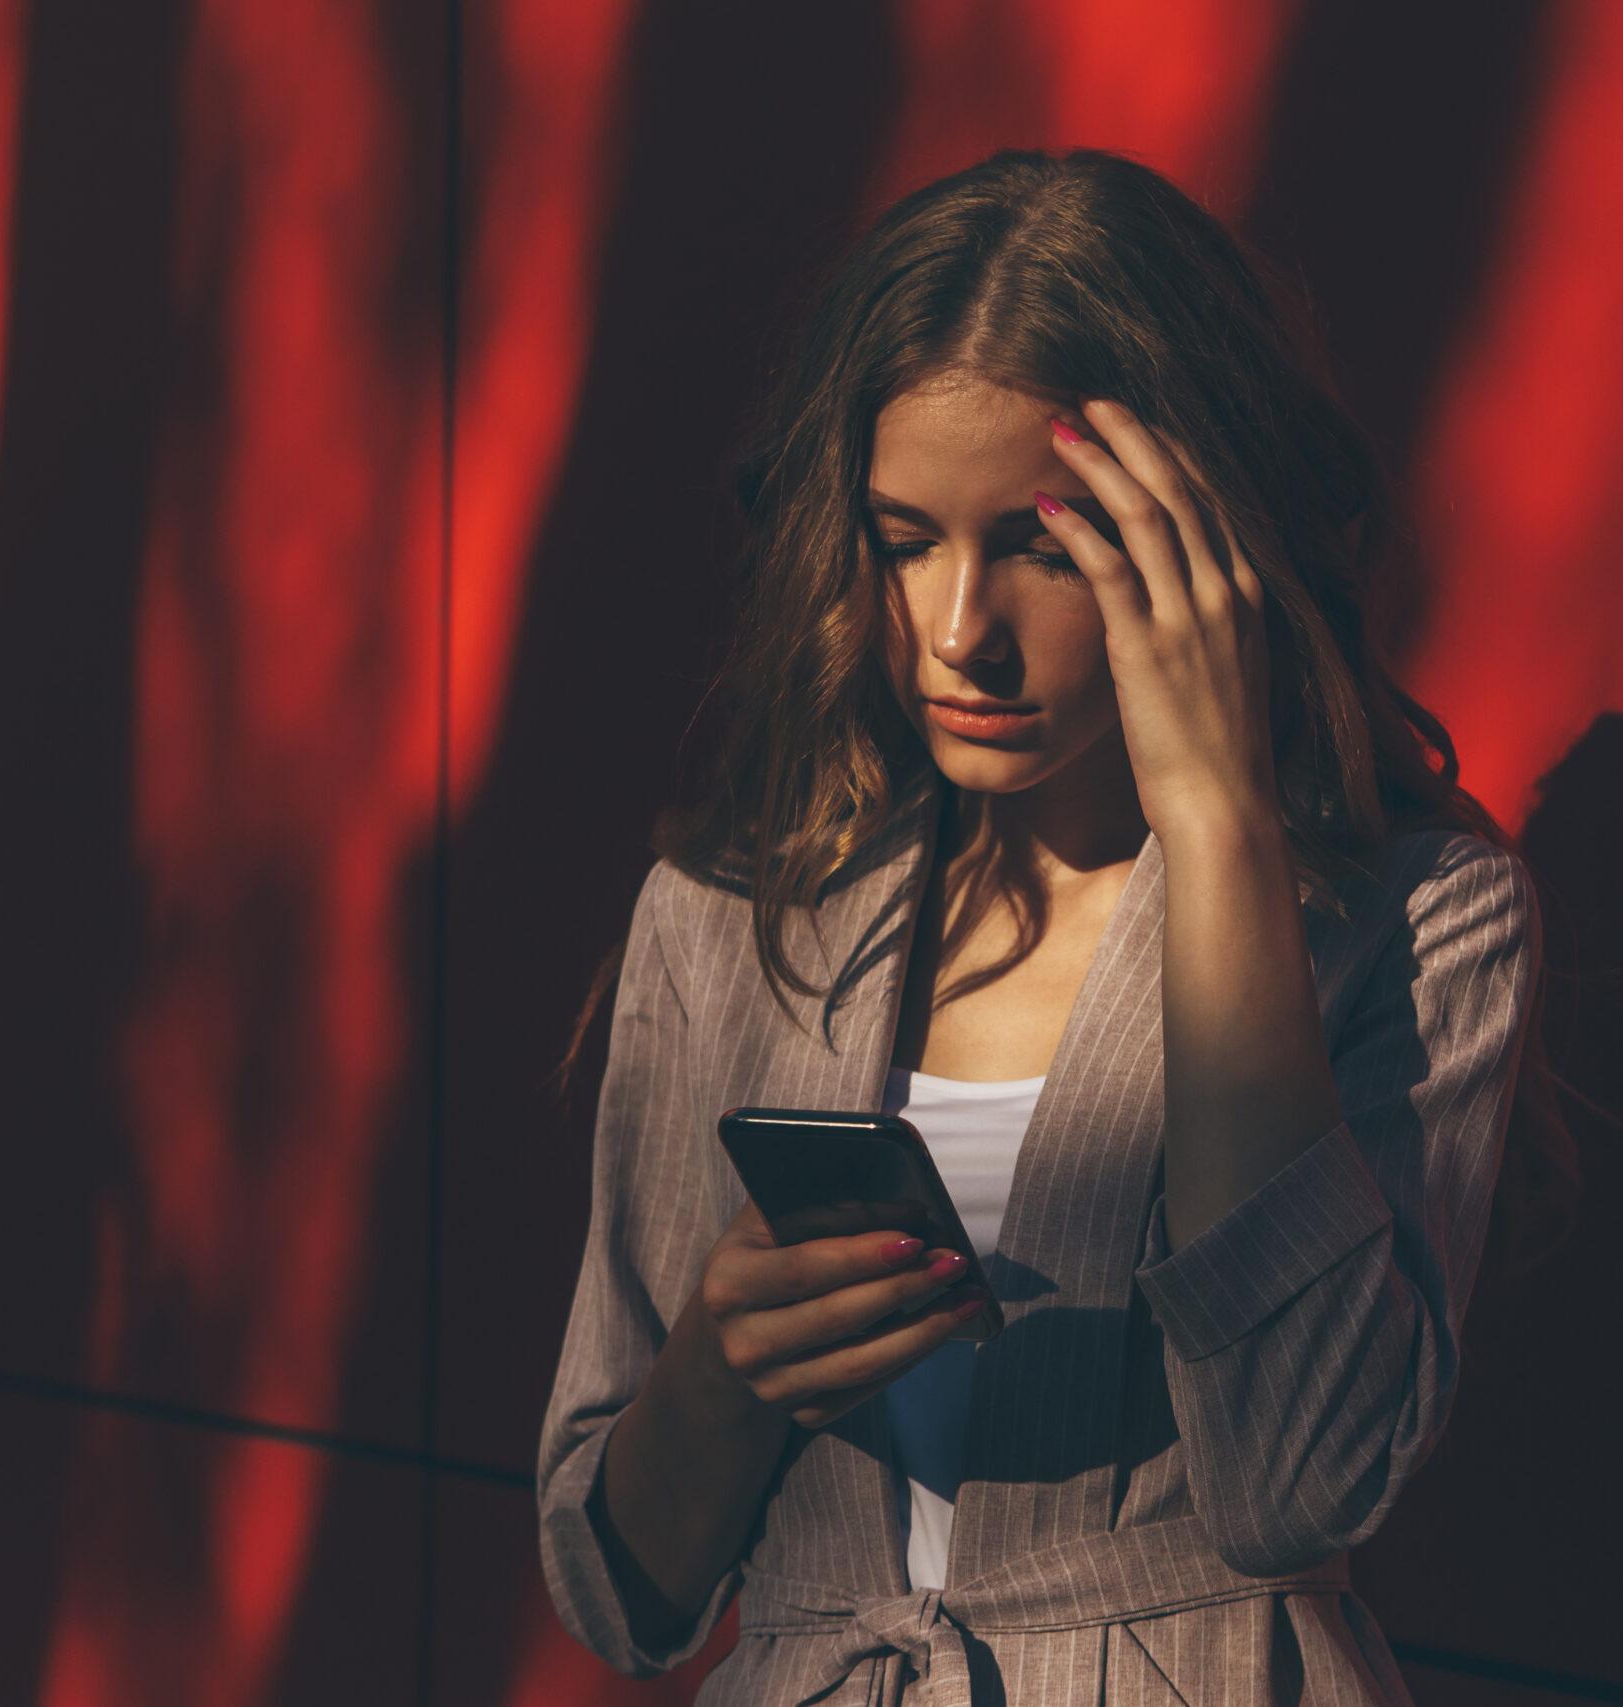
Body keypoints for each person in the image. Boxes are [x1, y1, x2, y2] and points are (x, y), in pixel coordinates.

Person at [537, 145, 1566, 1706]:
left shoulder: (1412, 923)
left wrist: (1219, 821)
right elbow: (626, 1599)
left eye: (1035, 544)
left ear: (1199, 531)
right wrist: (721, 1377)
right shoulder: (738, 919)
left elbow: (1299, 1482)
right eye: (903, 543)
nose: (960, 635)